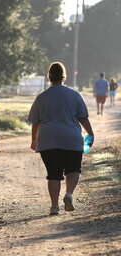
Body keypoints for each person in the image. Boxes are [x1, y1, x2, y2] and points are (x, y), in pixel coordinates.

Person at [28, 62, 94, 215]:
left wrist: (34, 140)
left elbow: (35, 122)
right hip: (71, 138)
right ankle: (69, 194)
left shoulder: (41, 97)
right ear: (64, 76)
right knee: (74, 169)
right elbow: (83, 118)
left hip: (48, 139)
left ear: (49, 76)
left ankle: (54, 206)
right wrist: (90, 133)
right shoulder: (75, 95)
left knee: (53, 174)